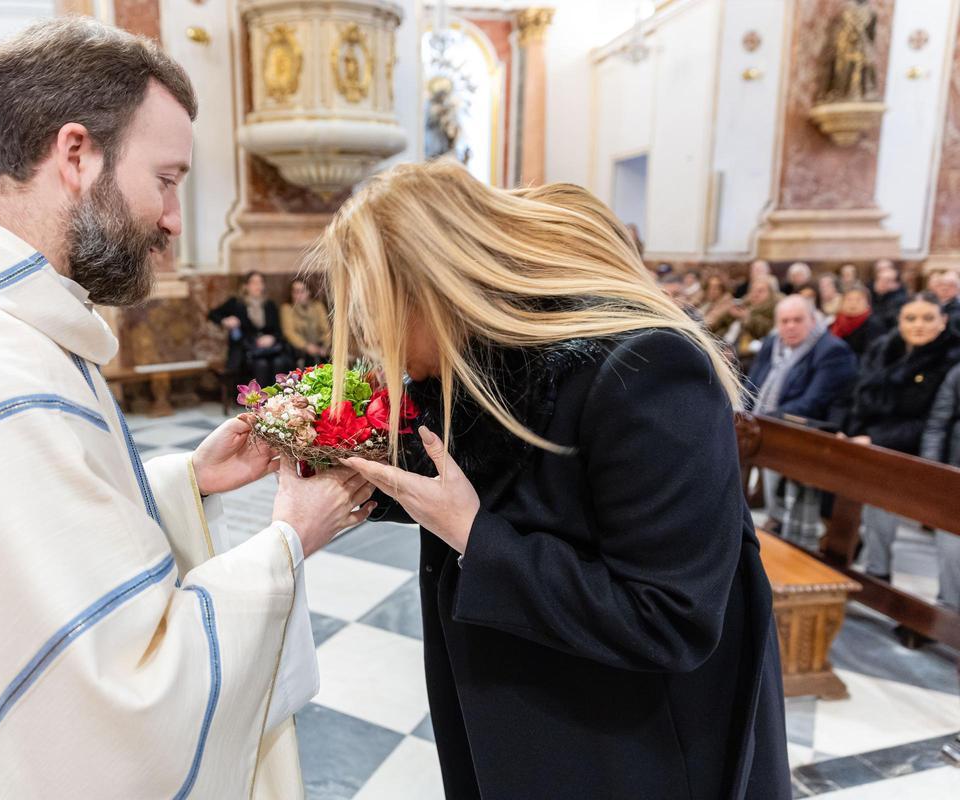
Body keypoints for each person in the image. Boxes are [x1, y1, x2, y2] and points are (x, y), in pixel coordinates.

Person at [0, 18, 374, 798]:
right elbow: (115, 700)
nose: (174, 218)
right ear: (76, 154)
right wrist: (289, 539)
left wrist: (186, 481)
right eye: (167, 179)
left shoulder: (0, 330)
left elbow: (37, 566)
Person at [321, 160, 789, 800]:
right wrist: (330, 458)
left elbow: (669, 617)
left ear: (438, 286)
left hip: (632, 747)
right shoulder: (492, 370)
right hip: (526, 716)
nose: (371, 339)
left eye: (376, 310)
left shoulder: (646, 369)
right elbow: (485, 483)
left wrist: (471, 533)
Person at [846, 293, 960, 583]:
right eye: (910, 318)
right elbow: (861, 395)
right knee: (872, 513)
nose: (918, 325)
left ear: (943, 321)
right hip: (873, 444)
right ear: (899, 321)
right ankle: (872, 574)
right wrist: (855, 431)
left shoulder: (950, 358)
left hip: (915, 450)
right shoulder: (886, 350)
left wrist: (874, 438)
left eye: (928, 318)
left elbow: (933, 421)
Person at [747, 296, 857, 547]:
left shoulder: (832, 350)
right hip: (768, 426)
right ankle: (776, 521)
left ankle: (795, 533)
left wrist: (762, 419)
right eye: (784, 321)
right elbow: (753, 383)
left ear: (813, 320)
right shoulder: (773, 343)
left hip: (807, 434)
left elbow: (813, 402)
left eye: (798, 320)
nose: (790, 326)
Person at [209, 270, 293, 386]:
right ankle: (259, 396)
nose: (258, 286)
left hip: (270, 349)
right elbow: (213, 314)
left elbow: (278, 330)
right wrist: (226, 321)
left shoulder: (269, 304)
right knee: (261, 364)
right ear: (246, 286)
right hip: (247, 349)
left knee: (280, 362)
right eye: (254, 282)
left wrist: (271, 338)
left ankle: (277, 395)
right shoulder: (237, 303)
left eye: (260, 282)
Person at [922, 360, 960, 611]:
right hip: (955, 473)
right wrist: (932, 470)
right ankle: (948, 612)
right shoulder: (958, 373)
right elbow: (937, 423)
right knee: (951, 548)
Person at [279, 277, 330, 367]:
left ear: (308, 292)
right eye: (295, 292)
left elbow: (326, 329)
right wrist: (306, 346)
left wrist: (326, 345)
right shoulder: (287, 308)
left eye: (302, 291)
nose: (299, 295)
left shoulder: (318, 306)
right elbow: (289, 332)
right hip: (299, 348)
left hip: (320, 344)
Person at [830, 285, 885, 357]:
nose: (853, 303)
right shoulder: (834, 323)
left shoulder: (873, 325)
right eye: (849, 299)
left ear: (868, 304)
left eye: (858, 300)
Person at [871, 260, 907, 330]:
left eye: (887, 281)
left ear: (896, 284)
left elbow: (889, 320)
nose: (882, 284)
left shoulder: (900, 299)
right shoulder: (874, 295)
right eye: (880, 280)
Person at [698, 272, 735, 337]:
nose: (711, 291)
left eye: (715, 288)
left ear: (722, 289)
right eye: (709, 287)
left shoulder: (726, 303)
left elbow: (709, 323)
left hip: (716, 338)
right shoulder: (709, 302)